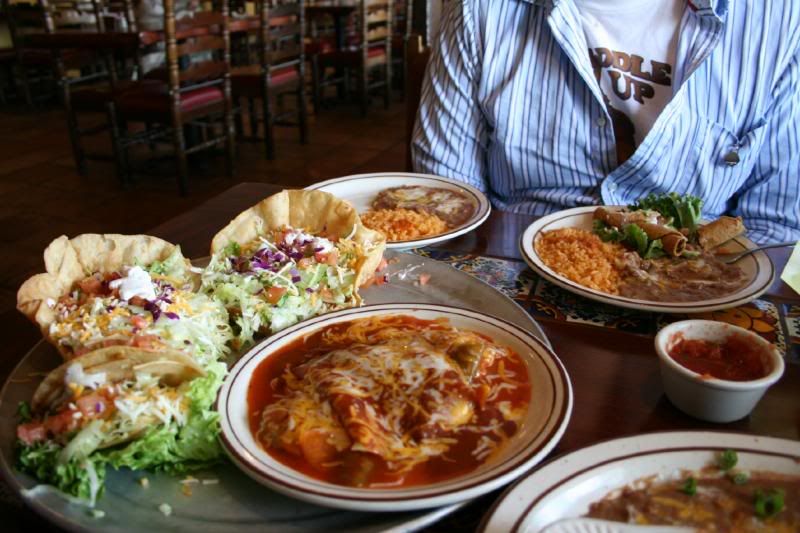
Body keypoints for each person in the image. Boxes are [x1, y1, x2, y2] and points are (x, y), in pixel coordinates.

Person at [411, 0, 800, 244]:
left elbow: (775, 227)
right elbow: (444, 210)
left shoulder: (779, 21)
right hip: (517, 279)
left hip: (699, 297)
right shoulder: (480, 11)